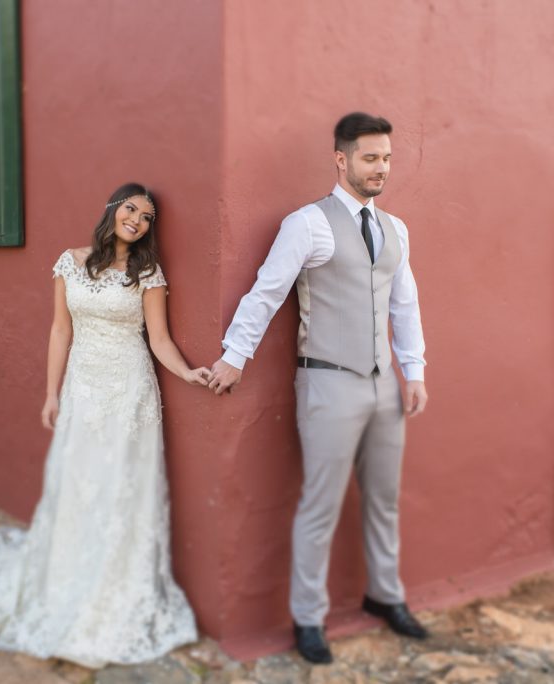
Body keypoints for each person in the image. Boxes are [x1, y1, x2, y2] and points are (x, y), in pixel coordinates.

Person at [0, 182, 207, 667]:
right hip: (82, 389)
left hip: (129, 393)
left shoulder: (147, 272)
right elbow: (60, 329)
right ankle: (68, 575)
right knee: (78, 485)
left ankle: (114, 589)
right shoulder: (70, 261)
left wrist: (188, 372)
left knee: (122, 488)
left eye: (147, 218)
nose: (137, 221)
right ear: (113, 208)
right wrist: (52, 393)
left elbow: (158, 339)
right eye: (132, 210)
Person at [208, 113, 429, 664]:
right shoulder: (308, 223)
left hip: (384, 389)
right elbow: (267, 292)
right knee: (320, 505)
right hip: (328, 384)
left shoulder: (396, 229)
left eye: (387, 158)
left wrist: (414, 369)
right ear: (342, 159)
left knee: (383, 499)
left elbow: (405, 303)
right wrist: (235, 357)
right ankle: (309, 617)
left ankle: (385, 594)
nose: (381, 168)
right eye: (370, 158)